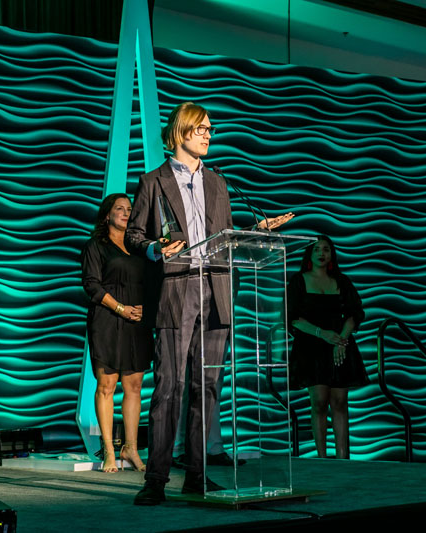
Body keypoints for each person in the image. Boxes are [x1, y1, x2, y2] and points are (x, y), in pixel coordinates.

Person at [126, 102, 292, 505]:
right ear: (182, 131)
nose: (208, 135)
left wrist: (256, 230)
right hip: (176, 288)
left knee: (209, 387)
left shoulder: (219, 182)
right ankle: (156, 479)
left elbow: (225, 236)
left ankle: (197, 477)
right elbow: (133, 235)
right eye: (202, 128)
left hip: (216, 291)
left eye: (210, 129)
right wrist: (155, 249)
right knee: (169, 386)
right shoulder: (154, 181)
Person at [81, 193, 153, 473]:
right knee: (107, 386)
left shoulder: (139, 248)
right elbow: (92, 286)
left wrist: (145, 310)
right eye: (119, 209)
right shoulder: (95, 246)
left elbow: (151, 283)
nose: (125, 212)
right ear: (107, 215)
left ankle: (131, 449)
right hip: (108, 319)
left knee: (134, 386)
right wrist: (122, 309)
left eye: (129, 209)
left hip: (138, 320)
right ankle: (110, 451)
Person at [287, 236, 367, 459]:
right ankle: (322, 458)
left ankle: (344, 458)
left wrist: (341, 339)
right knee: (319, 401)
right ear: (309, 254)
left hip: (340, 347)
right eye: (317, 249)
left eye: (326, 249)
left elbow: (355, 313)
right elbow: (292, 318)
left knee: (340, 402)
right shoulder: (298, 281)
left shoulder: (342, 281)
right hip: (311, 347)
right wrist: (323, 334)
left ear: (332, 254)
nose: (322, 253)